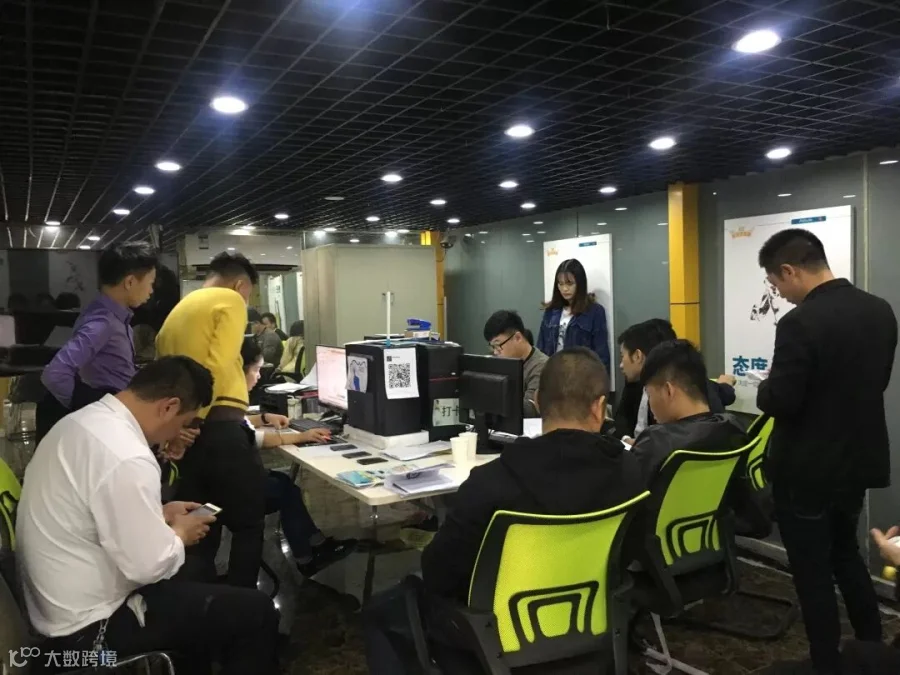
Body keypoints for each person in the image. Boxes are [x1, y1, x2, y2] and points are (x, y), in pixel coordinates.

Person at [364, 347, 644, 674]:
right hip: (591, 624)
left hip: (495, 638)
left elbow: (439, 572)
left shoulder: (490, 483)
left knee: (380, 611)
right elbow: (629, 551)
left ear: (537, 401)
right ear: (599, 407)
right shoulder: (629, 472)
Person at [16, 356, 279, 675]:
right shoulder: (127, 455)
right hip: (88, 634)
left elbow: (90, 508)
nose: (178, 434)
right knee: (257, 612)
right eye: (184, 423)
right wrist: (180, 533)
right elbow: (148, 567)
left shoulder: (82, 422)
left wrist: (159, 512)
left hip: (54, 609)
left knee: (197, 573)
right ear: (169, 407)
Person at [755, 229, 897, 675]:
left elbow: (781, 401)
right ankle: (874, 651)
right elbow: (874, 384)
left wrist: (766, 386)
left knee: (812, 573)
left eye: (776, 284)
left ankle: (826, 664)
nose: (779, 294)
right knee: (846, 555)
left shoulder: (798, 324)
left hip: (806, 471)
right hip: (857, 462)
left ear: (789, 270)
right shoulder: (880, 310)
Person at [156, 251, 266, 589]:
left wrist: (179, 428)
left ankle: (201, 596)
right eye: (248, 294)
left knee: (204, 517)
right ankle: (244, 604)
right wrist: (197, 419)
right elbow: (217, 365)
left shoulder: (178, 311)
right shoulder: (229, 301)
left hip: (191, 437)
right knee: (248, 524)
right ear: (240, 285)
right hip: (221, 433)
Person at [240, 338, 357, 576]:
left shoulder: (222, 398)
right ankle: (306, 557)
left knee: (284, 483)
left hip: (229, 480)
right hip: (234, 491)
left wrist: (264, 418)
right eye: (256, 370)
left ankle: (315, 541)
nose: (259, 376)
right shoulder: (226, 400)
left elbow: (241, 423)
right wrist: (301, 436)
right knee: (285, 490)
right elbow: (255, 438)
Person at [36, 242, 158, 444]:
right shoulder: (102, 323)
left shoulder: (113, 318)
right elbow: (55, 373)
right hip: (104, 420)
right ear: (129, 282)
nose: (151, 290)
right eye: (150, 282)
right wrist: (90, 409)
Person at [630, 339, 748, 481]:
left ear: (668, 390)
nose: (650, 404)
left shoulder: (655, 442)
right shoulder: (734, 427)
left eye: (650, 395)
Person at [614, 319, 736, 441]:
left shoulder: (674, 395)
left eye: (622, 356)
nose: (621, 365)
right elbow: (622, 419)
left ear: (638, 356)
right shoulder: (634, 383)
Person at [536, 259, 610, 372]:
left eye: (569, 283)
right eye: (561, 284)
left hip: (581, 376)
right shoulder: (551, 312)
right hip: (553, 375)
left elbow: (601, 354)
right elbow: (541, 350)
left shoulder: (595, 312)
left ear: (580, 284)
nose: (565, 289)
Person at [483, 309, 548, 417]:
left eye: (498, 345)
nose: (495, 352)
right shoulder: (505, 362)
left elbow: (531, 409)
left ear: (518, 338)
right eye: (492, 346)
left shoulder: (542, 367)